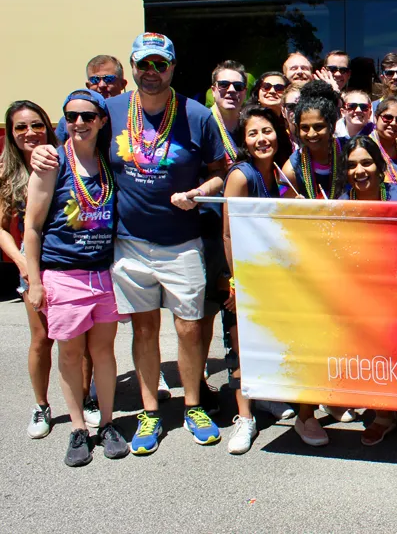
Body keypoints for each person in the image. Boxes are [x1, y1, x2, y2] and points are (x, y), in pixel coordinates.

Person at [32, 32, 229, 455]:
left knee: (190, 328)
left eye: (160, 64)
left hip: (182, 241)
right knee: (144, 329)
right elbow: (71, 138)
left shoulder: (197, 115)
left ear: (173, 67)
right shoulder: (111, 109)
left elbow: (220, 172)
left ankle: (193, 405)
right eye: (143, 64)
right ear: (133, 67)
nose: (151, 72)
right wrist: (42, 153)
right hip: (130, 243)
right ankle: (150, 411)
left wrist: (200, 192)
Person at [23, 89, 129, 466]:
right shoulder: (52, 162)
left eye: (87, 116)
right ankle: (78, 428)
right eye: (71, 117)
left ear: (101, 120)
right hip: (63, 274)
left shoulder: (109, 160)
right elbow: (32, 227)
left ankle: (108, 423)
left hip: (103, 274)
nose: (79, 123)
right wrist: (35, 282)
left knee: (103, 352)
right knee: (69, 353)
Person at [334, 136, 397, 444]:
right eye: (351, 166)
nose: (359, 171)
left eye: (366, 163)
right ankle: (383, 414)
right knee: (373, 351)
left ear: (380, 166)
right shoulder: (339, 206)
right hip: (359, 296)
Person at [222, 106, 294, 454]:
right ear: (244, 141)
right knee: (242, 349)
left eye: (267, 131)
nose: (261, 139)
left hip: (273, 274)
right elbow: (228, 233)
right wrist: (237, 282)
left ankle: (266, 397)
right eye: (253, 133)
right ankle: (245, 418)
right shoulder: (241, 176)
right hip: (246, 273)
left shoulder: (280, 172)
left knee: (269, 341)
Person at [1, 101, 60, 439]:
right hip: (32, 263)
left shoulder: (63, 160)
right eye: (20, 127)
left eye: (36, 125)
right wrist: (22, 263)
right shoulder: (7, 172)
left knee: (78, 338)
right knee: (41, 338)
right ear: (11, 133)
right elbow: (1, 228)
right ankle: (41, 405)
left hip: (70, 258)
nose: (30, 132)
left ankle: (87, 398)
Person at [198, 61, 246, 416]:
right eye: (224, 85)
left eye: (238, 86)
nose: (231, 91)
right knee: (203, 314)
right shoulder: (201, 123)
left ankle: (243, 387)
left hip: (241, 233)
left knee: (237, 311)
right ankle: (199, 385)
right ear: (213, 88)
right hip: (206, 231)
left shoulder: (246, 127)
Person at [282, 82, 342, 201]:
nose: (311, 134)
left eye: (319, 127)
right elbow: (284, 207)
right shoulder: (291, 170)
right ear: (297, 128)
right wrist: (296, 207)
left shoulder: (349, 153)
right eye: (305, 128)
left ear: (332, 126)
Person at [55, 55, 130, 143]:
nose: (102, 85)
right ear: (88, 86)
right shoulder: (71, 120)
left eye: (109, 79)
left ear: (122, 84)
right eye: (95, 80)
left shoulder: (134, 116)